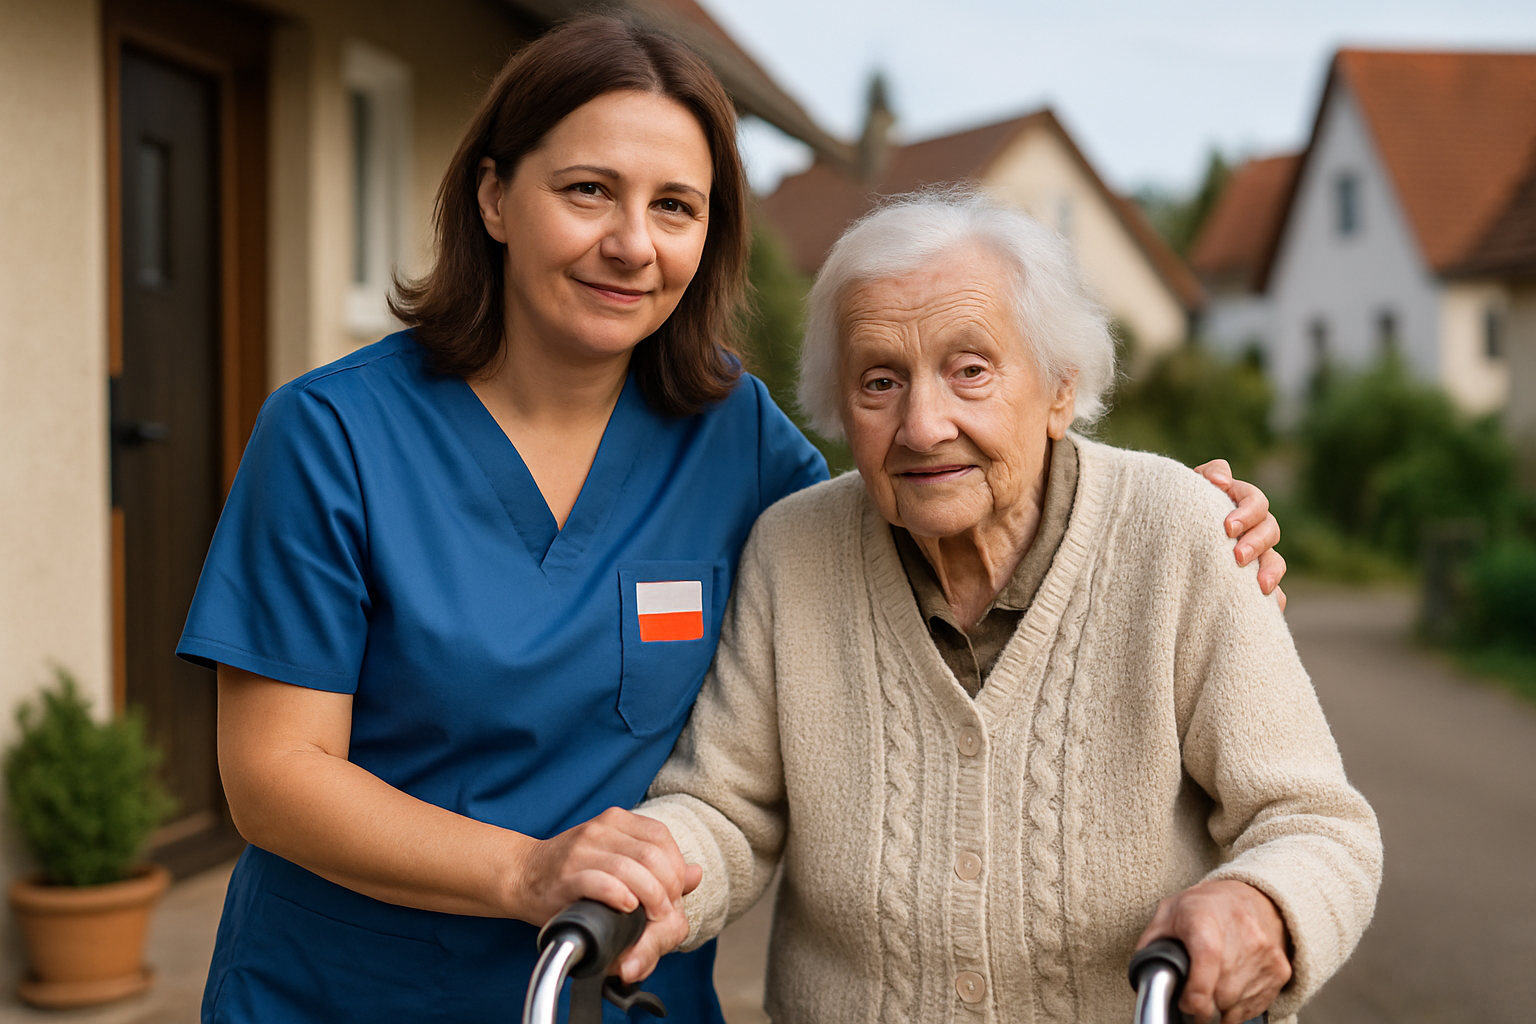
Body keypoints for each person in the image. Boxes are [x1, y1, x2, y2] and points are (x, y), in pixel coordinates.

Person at [176, 19, 1289, 1024]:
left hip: (620, 985)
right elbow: (273, 773)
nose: (632, 244)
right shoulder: (332, 436)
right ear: (492, 198)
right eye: (588, 192)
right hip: (349, 992)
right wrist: (525, 872)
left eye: (675, 207)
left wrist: (1163, 518)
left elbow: (922, 506)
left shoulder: (734, 436)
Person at [631, 191, 1382, 1024]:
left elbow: (1314, 822)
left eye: (970, 371)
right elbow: (726, 810)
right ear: (840, 409)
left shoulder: (1181, 533)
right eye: (879, 381)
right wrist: (651, 876)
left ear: (1061, 390)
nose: (922, 426)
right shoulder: (792, 551)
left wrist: (1263, 905)